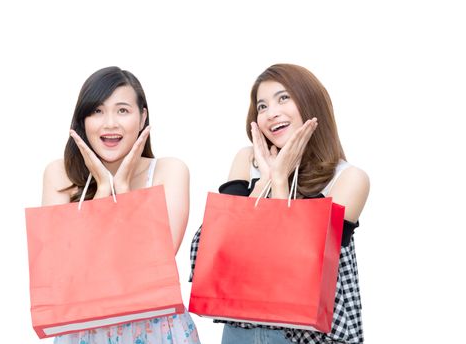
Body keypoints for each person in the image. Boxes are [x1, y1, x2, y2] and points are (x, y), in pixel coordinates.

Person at [189, 64, 369, 344]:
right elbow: (214, 247)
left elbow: (304, 268)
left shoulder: (348, 178)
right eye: (262, 106)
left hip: (311, 336)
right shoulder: (247, 160)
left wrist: (280, 180)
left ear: (310, 102)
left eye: (283, 98)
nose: (271, 112)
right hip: (241, 330)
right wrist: (263, 182)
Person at [42, 66, 200, 344]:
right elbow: (63, 268)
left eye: (123, 110)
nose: (110, 123)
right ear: (83, 121)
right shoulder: (60, 175)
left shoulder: (170, 171)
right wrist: (104, 189)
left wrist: (123, 189)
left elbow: (158, 259)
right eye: (97, 111)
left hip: (159, 331)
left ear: (142, 118)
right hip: (84, 333)